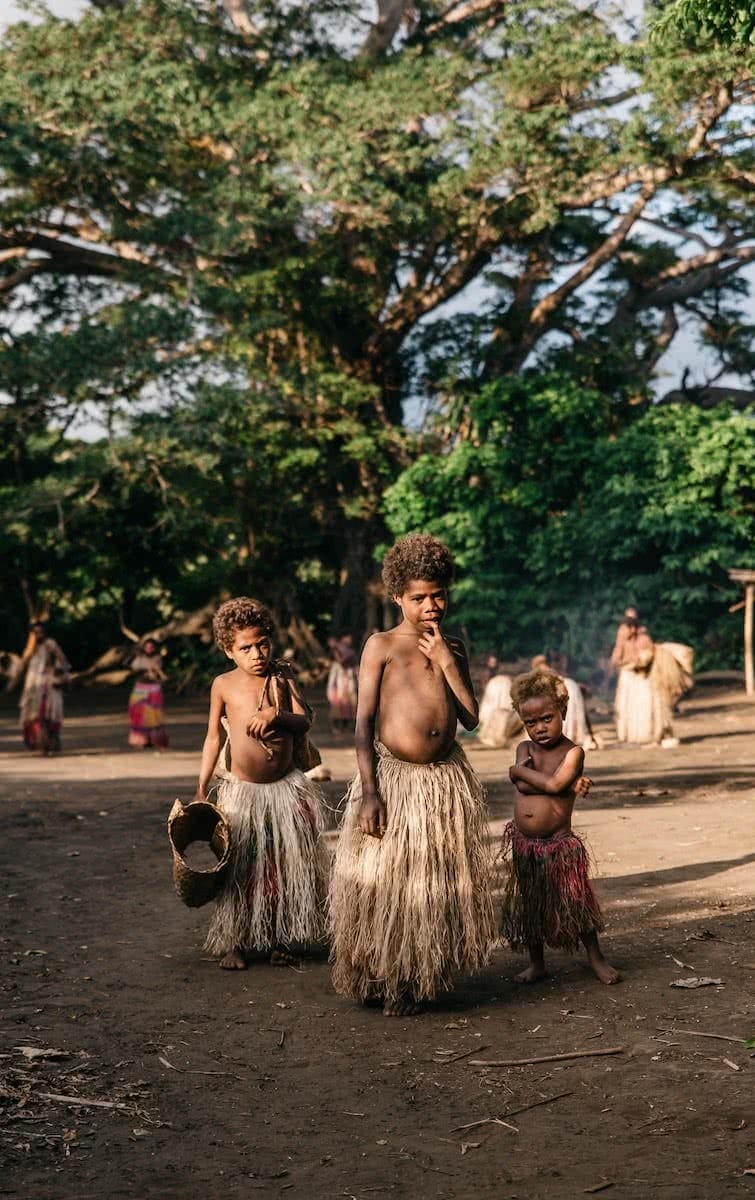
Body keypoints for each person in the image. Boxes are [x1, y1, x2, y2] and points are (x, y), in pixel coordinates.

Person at [329, 533, 497, 1016]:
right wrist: (369, 793)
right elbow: (362, 725)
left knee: (427, 884)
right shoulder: (380, 646)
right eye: (419, 597)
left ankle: (413, 974)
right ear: (398, 597)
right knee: (389, 883)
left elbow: (470, 718)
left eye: (439, 594)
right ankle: (377, 972)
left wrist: (446, 661)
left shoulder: (454, 647)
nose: (431, 605)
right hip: (395, 782)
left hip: (442, 784)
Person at [193, 597, 329, 970]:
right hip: (243, 793)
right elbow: (212, 738)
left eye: (262, 643)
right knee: (240, 864)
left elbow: (304, 721)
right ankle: (235, 940)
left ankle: (279, 936)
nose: (257, 654)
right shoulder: (223, 685)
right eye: (246, 648)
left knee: (283, 864)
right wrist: (201, 786)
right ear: (228, 650)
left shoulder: (282, 677)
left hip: (284, 789)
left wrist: (277, 714)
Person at [501, 668, 620, 985]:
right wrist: (553, 784)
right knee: (532, 903)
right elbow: (530, 789)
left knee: (576, 901)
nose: (539, 728)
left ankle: (596, 958)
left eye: (546, 718)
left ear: (563, 712)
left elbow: (550, 784)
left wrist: (520, 773)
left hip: (558, 843)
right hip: (525, 842)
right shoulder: (525, 749)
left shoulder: (573, 753)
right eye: (530, 722)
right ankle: (537, 963)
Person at [611, 610, 691, 747]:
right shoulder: (622, 640)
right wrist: (627, 659)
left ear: (634, 628)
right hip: (628, 679)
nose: (625, 631)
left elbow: (647, 659)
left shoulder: (644, 639)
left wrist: (637, 662)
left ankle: (653, 735)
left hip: (644, 679)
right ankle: (631, 736)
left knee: (646, 708)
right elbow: (615, 660)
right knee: (629, 709)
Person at [19, 622, 71, 753]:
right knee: (34, 717)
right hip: (32, 687)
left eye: (40, 631)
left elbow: (63, 661)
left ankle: (49, 742)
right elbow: (22, 667)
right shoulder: (29, 649)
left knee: (47, 715)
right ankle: (41, 743)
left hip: (48, 684)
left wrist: (60, 673)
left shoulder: (50, 644)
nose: (38, 635)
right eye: (35, 632)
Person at [128, 638, 169, 748]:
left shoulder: (157, 658)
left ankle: (155, 740)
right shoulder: (139, 658)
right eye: (147, 647)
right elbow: (132, 667)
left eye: (151, 647)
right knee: (138, 714)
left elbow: (159, 672)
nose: (149, 649)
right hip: (140, 688)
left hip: (153, 688)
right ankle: (141, 740)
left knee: (154, 715)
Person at [477, 667, 520, 748]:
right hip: (502, 720)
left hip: (489, 719)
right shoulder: (506, 682)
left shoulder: (494, 682)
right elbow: (508, 705)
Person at [326, 634, 358, 732]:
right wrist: (335, 648)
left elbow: (348, 662)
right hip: (338, 679)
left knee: (349, 703)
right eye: (347, 637)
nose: (349, 639)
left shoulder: (349, 652)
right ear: (342, 638)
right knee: (337, 703)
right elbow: (340, 661)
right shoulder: (337, 650)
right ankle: (336, 727)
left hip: (347, 679)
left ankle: (347, 725)